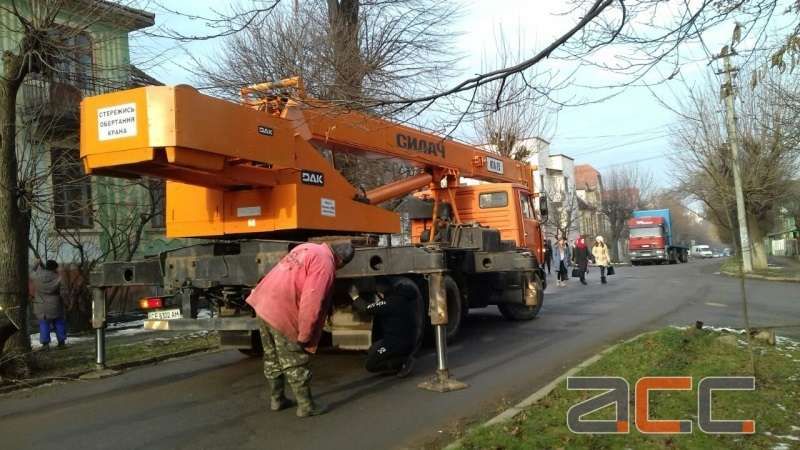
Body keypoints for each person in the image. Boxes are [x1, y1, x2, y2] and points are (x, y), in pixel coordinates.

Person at [246, 241, 355, 418]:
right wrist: (305, 335)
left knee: (272, 356)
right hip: (281, 308)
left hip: (262, 302)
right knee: (295, 360)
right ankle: (306, 406)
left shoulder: (306, 248)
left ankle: (277, 399)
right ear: (340, 261)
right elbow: (311, 302)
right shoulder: (325, 264)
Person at [352, 279, 418, 378]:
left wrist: (354, 296)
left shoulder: (389, 303)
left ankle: (402, 362)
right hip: (403, 340)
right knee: (372, 350)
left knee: (370, 365)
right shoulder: (401, 299)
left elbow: (367, 308)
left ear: (380, 293)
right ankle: (399, 357)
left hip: (394, 343)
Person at [30, 260, 67, 349]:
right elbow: (63, 293)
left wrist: (36, 264)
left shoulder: (37, 276)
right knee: (59, 323)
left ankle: (45, 344)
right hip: (55, 304)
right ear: (55, 268)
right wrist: (66, 303)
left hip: (41, 305)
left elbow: (31, 272)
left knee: (44, 324)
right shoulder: (58, 278)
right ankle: (61, 342)